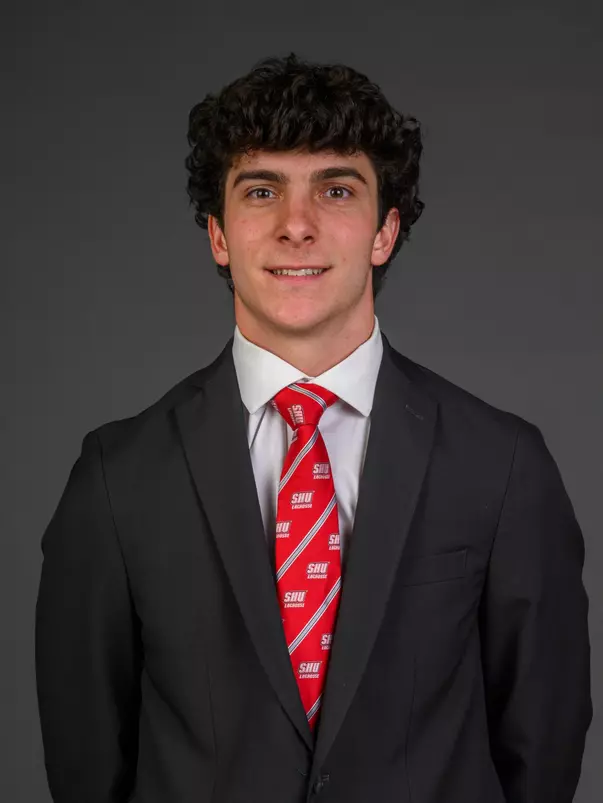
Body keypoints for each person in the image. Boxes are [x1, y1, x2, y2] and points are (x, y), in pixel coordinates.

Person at [35, 52, 592, 803]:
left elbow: (542, 742)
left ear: (384, 231)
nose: (296, 225)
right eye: (260, 190)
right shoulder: (116, 477)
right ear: (219, 236)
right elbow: (86, 760)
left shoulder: (501, 464)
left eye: (335, 189)